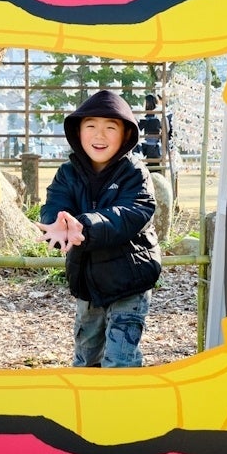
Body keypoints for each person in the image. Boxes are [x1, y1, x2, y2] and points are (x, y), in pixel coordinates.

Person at [37, 90, 160, 368]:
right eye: (91, 126)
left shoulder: (134, 173)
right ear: (78, 132)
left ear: (126, 135)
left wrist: (84, 225)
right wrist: (57, 223)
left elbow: (131, 214)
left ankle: (124, 395)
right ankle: (85, 397)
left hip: (130, 281)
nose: (99, 135)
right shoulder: (68, 173)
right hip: (88, 283)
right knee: (86, 358)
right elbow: (56, 203)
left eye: (110, 128)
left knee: (119, 361)